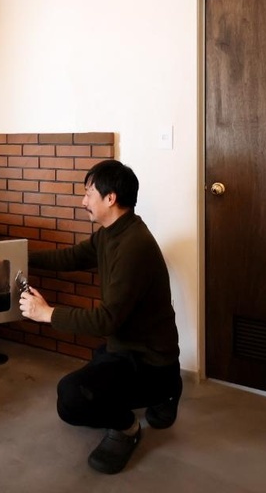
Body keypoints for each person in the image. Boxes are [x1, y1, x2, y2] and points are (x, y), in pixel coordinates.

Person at [19, 159, 182, 475]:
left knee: (72, 396)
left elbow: (107, 320)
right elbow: (70, 257)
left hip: (151, 362)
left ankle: (129, 426)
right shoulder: (111, 233)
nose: (83, 201)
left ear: (110, 198)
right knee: (75, 395)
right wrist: (20, 257)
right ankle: (158, 392)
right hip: (126, 348)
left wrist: (47, 314)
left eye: (88, 193)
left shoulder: (134, 246)